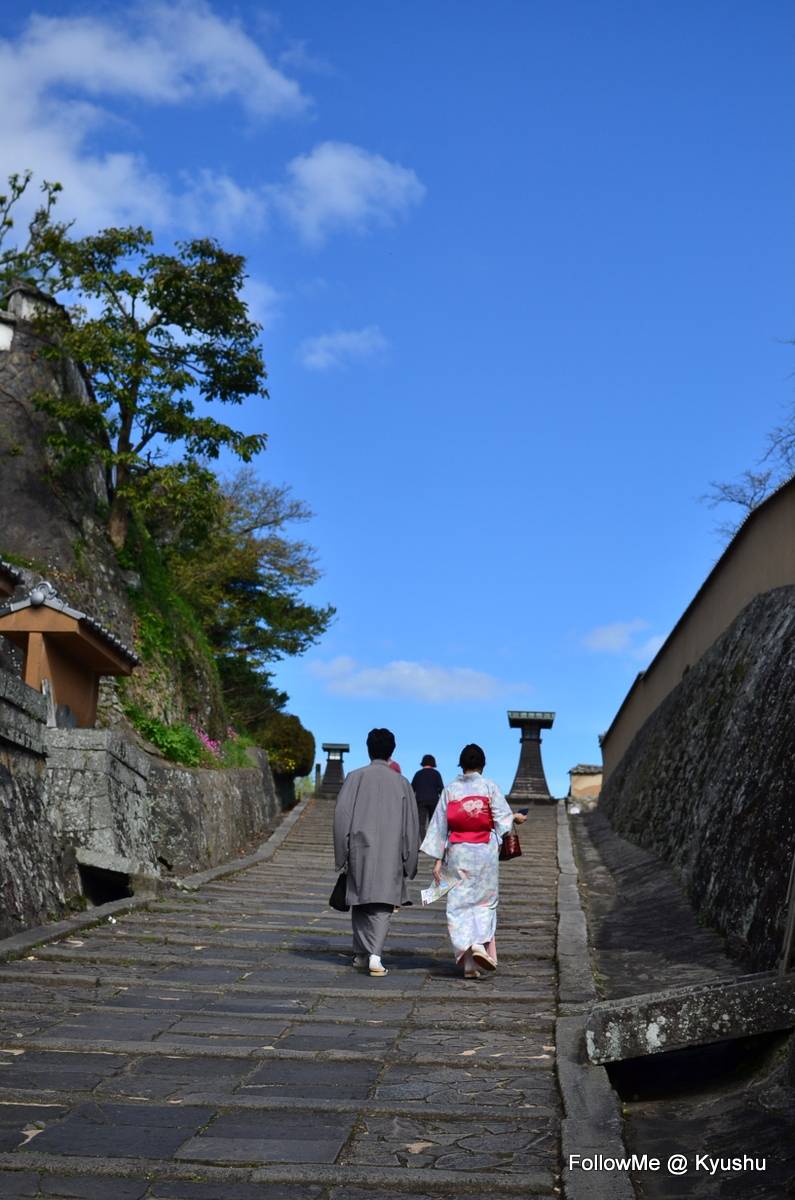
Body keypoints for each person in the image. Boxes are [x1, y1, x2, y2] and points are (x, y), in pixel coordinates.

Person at [420, 742, 527, 978]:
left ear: (461, 764)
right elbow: (503, 820)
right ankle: (479, 943)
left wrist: (438, 860)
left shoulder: (450, 790)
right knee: (484, 902)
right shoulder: (489, 787)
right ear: (482, 764)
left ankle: (469, 965)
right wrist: (516, 818)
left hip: (458, 852)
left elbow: (439, 826)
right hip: (484, 853)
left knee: (459, 905)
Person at [333, 728, 419, 977]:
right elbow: (411, 825)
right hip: (391, 850)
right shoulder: (402, 783)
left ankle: (361, 954)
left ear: (368, 748)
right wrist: (409, 858)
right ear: (392, 750)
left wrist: (341, 852)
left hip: (360, 849)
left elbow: (341, 816)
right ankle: (375, 955)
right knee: (382, 904)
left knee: (359, 900)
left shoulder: (355, 777)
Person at [411, 754, 444, 838]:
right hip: (433, 800)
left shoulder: (418, 774)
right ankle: (431, 842)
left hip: (420, 801)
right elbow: (441, 789)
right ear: (433, 763)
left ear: (423, 762)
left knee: (421, 824)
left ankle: (422, 843)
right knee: (433, 824)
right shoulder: (436, 774)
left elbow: (412, 789)